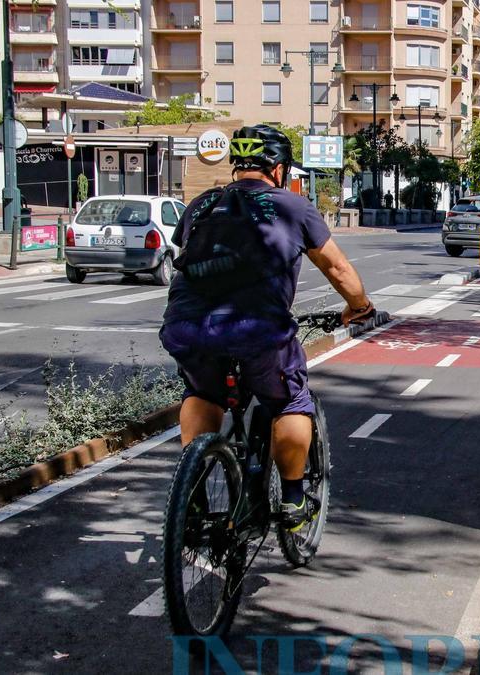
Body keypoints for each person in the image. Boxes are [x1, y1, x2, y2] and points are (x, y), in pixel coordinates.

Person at [160, 125, 375, 531]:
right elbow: (337, 268)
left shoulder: (201, 205)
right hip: (256, 329)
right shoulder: (294, 207)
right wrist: (360, 308)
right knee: (290, 402)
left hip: (186, 326)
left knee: (203, 393)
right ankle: (293, 501)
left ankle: (192, 495)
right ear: (278, 169)